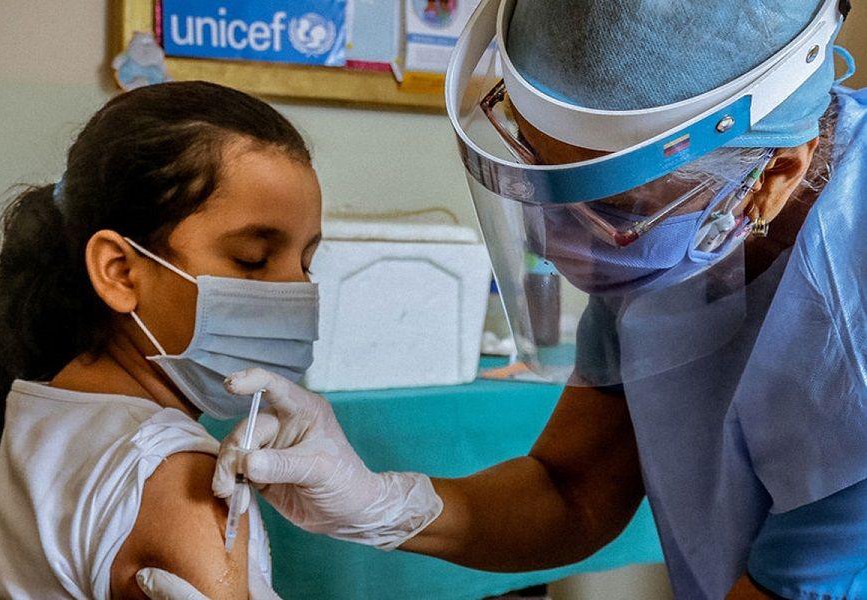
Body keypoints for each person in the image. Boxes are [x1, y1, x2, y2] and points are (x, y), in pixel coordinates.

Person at [142, 1, 865, 599]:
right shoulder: (681, 235)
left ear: (775, 174)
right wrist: (381, 503)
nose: (557, 240)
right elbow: (572, 490)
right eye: (534, 162)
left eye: (609, 205)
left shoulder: (848, 332)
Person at [0, 81, 322, 599]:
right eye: (252, 258)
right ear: (119, 271)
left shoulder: (41, 404)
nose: (295, 291)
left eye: (307, 263)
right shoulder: (180, 478)